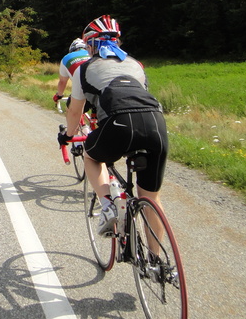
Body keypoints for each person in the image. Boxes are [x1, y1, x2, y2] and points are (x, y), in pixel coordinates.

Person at [58, 15, 168, 236]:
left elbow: (74, 111)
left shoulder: (84, 68)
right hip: (156, 123)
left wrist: (69, 136)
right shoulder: (136, 64)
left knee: (91, 156)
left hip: (120, 123)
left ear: (90, 43)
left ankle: (108, 206)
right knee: (151, 197)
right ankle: (158, 265)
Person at [53, 38, 90, 104]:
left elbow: (62, 82)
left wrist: (59, 95)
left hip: (83, 89)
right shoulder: (94, 54)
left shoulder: (67, 58)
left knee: (72, 111)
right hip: (102, 87)